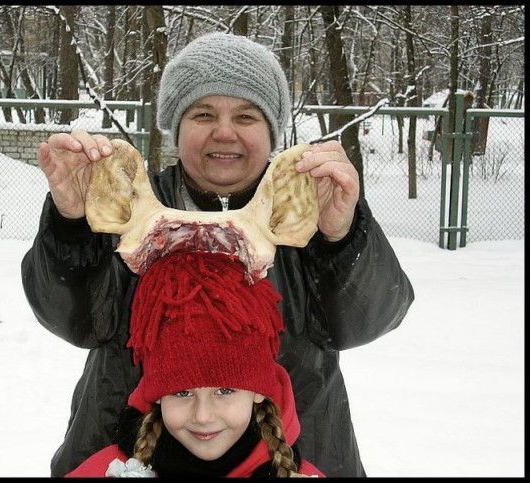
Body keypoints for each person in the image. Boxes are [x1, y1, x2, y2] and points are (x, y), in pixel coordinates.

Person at [21, 32, 414, 477]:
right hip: (125, 453)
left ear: (271, 132)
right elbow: (73, 319)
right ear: (176, 126)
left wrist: (342, 237)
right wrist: (72, 223)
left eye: (246, 116)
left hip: (297, 456)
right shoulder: (123, 204)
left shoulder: (308, 209)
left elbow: (369, 319)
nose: (224, 131)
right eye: (203, 113)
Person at [66, 250, 325, 477]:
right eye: (182, 392)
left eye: (224, 391)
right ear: (156, 394)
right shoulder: (103, 472)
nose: (203, 416)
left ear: (258, 391)